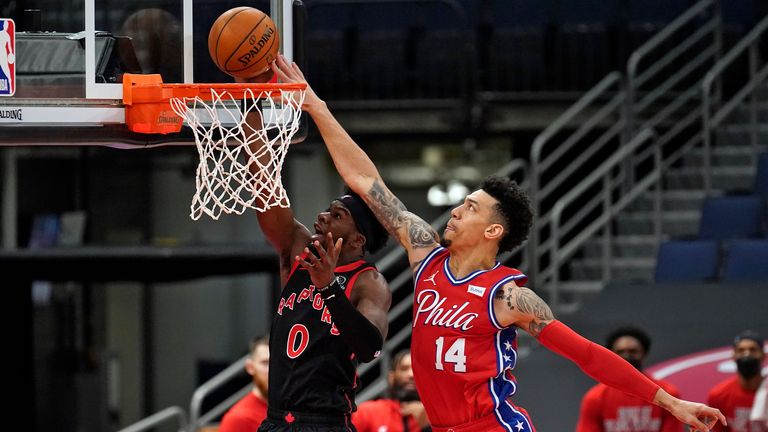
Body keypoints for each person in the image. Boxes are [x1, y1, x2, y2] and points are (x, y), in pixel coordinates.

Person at [268, 54, 727, 432]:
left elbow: (587, 355)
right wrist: (317, 107)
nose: (455, 211)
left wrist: (669, 401)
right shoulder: (425, 255)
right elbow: (367, 181)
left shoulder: (508, 295)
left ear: (493, 231)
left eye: (469, 208)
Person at [250, 142, 392, 432]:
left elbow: (370, 350)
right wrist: (253, 124)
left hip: (325, 423)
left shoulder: (369, 282)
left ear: (357, 241)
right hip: (276, 421)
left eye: (338, 216)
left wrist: (328, 287)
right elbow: (267, 189)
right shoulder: (298, 248)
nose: (324, 216)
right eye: (328, 209)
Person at [576, 326, 683, 432]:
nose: (627, 356)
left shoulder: (668, 394)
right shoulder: (595, 398)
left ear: (644, 353)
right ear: (610, 355)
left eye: (633, 351)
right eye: (620, 352)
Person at [352, 349, 430, 432]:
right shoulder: (369, 412)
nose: (411, 374)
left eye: (416, 369)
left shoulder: (437, 418)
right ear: (391, 378)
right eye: (404, 369)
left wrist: (427, 427)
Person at [707, 331, 766, 432]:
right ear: (733, 356)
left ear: (763, 355)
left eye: (753, 349)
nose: (747, 354)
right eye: (741, 350)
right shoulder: (719, 395)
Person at [219, 336, 270, 432]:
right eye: (265, 363)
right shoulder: (238, 419)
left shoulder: (294, 411)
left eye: (278, 363)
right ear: (250, 367)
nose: (272, 370)